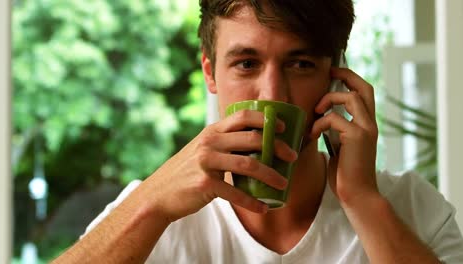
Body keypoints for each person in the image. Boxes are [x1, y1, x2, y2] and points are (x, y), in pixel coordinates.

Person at [54, 0, 463, 263]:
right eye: (247, 64)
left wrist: (362, 200)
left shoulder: (410, 207)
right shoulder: (152, 212)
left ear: (335, 77)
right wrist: (153, 203)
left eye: (300, 64)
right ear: (210, 73)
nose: (273, 94)